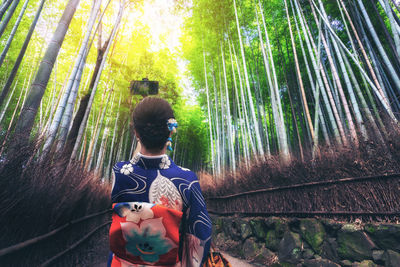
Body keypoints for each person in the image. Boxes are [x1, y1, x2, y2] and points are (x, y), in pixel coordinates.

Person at [108, 97, 212, 267]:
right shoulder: (186, 179)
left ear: (136, 133)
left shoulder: (119, 172)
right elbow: (200, 234)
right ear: (171, 131)